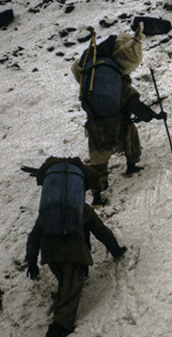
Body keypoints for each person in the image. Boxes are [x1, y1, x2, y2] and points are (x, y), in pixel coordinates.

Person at [25, 156, 127, 337]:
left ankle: (62, 301)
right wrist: (115, 249)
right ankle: (60, 326)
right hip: (74, 254)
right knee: (72, 290)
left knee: (65, 280)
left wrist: (32, 261)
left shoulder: (48, 211)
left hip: (51, 253)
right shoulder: (83, 210)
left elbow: (34, 237)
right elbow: (101, 232)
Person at [71, 28, 166, 205]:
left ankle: (97, 195)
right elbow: (135, 104)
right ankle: (131, 166)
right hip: (117, 121)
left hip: (95, 123)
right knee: (130, 137)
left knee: (98, 158)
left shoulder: (91, 74)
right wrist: (155, 115)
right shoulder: (119, 84)